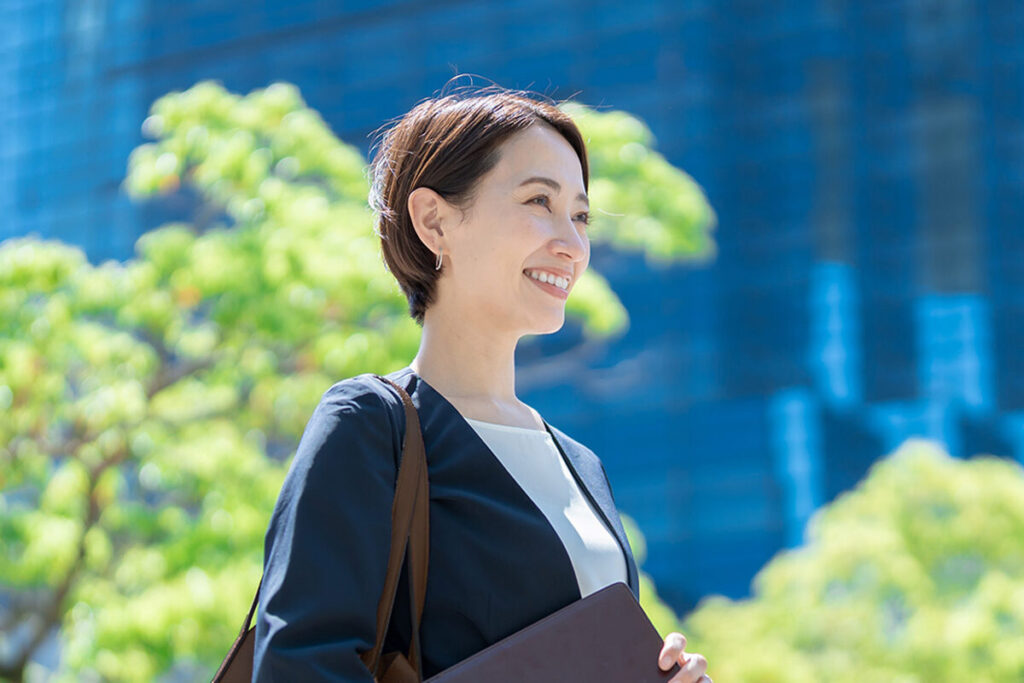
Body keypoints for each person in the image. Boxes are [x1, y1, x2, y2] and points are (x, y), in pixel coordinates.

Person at [251, 83, 711, 683]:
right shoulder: (369, 424)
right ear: (434, 221)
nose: (571, 244)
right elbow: (299, 669)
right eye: (538, 202)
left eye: (579, 215)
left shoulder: (581, 465)